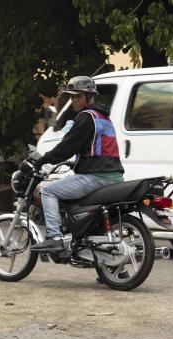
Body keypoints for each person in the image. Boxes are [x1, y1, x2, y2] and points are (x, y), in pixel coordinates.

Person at [29, 76, 125, 254]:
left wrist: (44, 159)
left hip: (96, 177)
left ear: (89, 97)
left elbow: (67, 147)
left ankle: (55, 238)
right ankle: (114, 270)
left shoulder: (86, 117)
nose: (74, 100)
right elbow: (94, 149)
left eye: (78, 97)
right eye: (72, 97)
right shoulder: (104, 118)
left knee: (48, 191)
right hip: (114, 176)